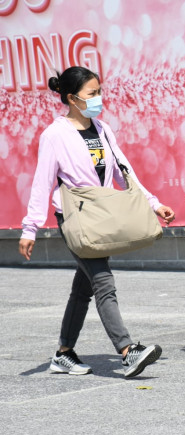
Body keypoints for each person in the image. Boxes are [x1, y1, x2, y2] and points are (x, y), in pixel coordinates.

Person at [19, 66, 175, 377]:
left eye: (99, 91)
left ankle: (64, 353)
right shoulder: (55, 135)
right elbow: (42, 182)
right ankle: (128, 351)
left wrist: (154, 204)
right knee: (103, 281)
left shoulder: (102, 129)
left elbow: (124, 172)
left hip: (101, 217)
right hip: (76, 218)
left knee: (84, 288)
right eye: (92, 94)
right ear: (71, 98)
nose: (99, 98)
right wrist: (29, 228)